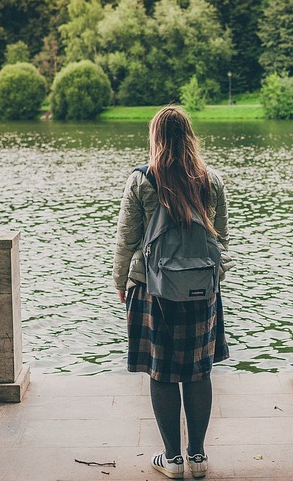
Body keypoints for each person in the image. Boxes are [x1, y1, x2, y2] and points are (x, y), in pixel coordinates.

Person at [113, 105, 233, 480]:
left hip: (152, 291)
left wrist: (121, 283)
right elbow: (222, 241)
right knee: (198, 372)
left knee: (161, 372)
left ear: (156, 138)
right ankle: (198, 458)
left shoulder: (141, 181)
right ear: (189, 137)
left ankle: (173, 461)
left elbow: (125, 241)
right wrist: (208, 281)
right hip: (201, 291)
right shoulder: (211, 180)